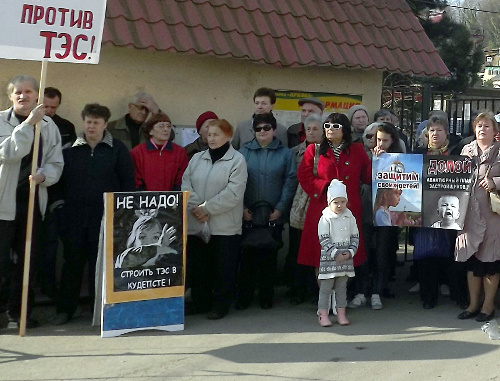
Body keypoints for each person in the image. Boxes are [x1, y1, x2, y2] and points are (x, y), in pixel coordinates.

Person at [53, 104, 135, 325]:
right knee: (72, 264)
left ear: (105, 124)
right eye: (88, 121)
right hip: (74, 219)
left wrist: (123, 214)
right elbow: (58, 184)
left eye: (96, 122)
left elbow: (128, 183)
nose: (91, 126)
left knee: (101, 266)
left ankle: (98, 311)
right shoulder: (69, 150)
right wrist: (60, 208)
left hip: (106, 219)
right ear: (83, 122)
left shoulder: (117, 149)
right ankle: (65, 310)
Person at [0, 75, 64, 328]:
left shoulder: (49, 126)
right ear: (10, 96)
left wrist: (45, 175)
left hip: (32, 202)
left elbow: (56, 161)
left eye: (28, 91)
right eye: (18, 92)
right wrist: (28, 124)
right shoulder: (1, 121)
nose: (23, 96)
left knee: (28, 262)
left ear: (37, 96)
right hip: (3, 203)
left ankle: (19, 313)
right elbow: (10, 153)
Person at [297, 112, 371, 312]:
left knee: (345, 253)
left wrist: (380, 158)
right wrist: (325, 185)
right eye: (327, 125)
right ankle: (326, 301)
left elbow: (368, 176)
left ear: (345, 129)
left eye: (335, 125)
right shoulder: (314, 150)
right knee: (321, 255)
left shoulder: (357, 150)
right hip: (321, 208)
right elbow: (304, 176)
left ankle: (340, 300)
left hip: (349, 210)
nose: (330, 129)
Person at [182, 119, 247, 319]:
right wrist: (196, 207)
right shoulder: (197, 159)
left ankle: (220, 305)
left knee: (223, 268)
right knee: (200, 266)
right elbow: (186, 183)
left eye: (216, 134)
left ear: (227, 136)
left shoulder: (237, 160)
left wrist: (207, 208)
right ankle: (201, 302)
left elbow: (233, 193)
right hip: (197, 222)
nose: (211, 138)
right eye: (209, 134)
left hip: (224, 225)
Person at [237, 112, 297, 309]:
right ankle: (245, 296)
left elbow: (290, 182)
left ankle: (266, 297)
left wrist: (280, 208)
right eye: (258, 128)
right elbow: (236, 182)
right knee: (248, 258)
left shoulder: (285, 154)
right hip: (249, 214)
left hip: (273, 214)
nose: (262, 131)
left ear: (273, 130)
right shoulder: (243, 152)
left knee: (269, 258)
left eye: (266, 128)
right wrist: (243, 208)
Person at [456, 111, 500, 322]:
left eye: (487, 126)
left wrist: (495, 183)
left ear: (495, 130)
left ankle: (488, 306)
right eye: (479, 125)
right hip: (469, 214)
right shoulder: (466, 150)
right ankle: (473, 305)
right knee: (472, 261)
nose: (482, 129)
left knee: (490, 262)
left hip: (493, 216)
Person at [37, 87, 77, 299]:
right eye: (46, 106)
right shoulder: (26, 123)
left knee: (51, 245)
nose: (50, 111)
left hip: (56, 194)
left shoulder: (66, 127)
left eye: (54, 107)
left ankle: (49, 286)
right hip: (28, 193)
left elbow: (68, 164)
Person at [287, 114, 324, 304]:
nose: (311, 132)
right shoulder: (294, 152)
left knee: (317, 251)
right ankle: (296, 289)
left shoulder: (328, 151)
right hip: (298, 205)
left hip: (318, 204)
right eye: (308, 129)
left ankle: (314, 291)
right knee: (297, 249)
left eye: (315, 129)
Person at [370, 122, 404, 309]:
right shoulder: (370, 154)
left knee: (383, 252)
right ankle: (364, 289)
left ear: (393, 141)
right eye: (378, 139)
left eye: (385, 140)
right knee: (369, 251)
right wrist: (374, 161)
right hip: (370, 211)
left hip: (387, 215)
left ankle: (379, 290)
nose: (380, 144)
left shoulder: (400, 158)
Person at [317, 180, 359, 327]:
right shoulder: (325, 218)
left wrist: (350, 251)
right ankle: (323, 314)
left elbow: (355, 236)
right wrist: (335, 253)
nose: (340, 205)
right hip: (330, 260)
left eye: (343, 201)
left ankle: (341, 313)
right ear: (329, 202)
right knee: (326, 288)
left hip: (345, 261)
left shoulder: (350, 217)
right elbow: (324, 238)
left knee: (342, 288)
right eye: (336, 202)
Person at [130, 113, 188, 191]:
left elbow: (182, 179)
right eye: (161, 126)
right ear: (150, 131)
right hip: (144, 200)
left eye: (168, 126)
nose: (166, 129)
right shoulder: (137, 153)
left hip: (172, 200)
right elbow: (135, 180)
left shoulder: (179, 152)